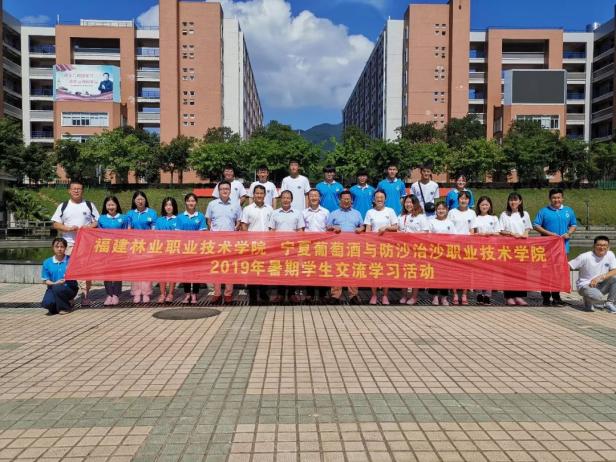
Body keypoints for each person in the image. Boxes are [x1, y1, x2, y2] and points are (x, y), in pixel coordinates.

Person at [51, 180, 99, 306]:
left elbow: (97, 222)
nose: (76, 191)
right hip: (68, 244)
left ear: (82, 191)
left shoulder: (89, 205)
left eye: (79, 189)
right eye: (74, 189)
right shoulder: (63, 206)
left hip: (85, 244)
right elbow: (55, 223)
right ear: (69, 190)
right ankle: (70, 296)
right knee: (68, 271)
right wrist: (67, 228)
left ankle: (85, 296)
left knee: (85, 271)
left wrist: (88, 227)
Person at [533, 188, 578, 306]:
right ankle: (545, 297)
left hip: (562, 248)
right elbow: (536, 225)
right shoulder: (543, 211)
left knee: (558, 273)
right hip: (546, 248)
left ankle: (556, 296)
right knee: (545, 272)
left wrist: (569, 233)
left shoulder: (568, 210)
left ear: (562, 198)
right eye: (554, 198)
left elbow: (573, 225)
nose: (556, 200)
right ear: (550, 199)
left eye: (558, 197)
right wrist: (550, 234)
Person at [206, 181, 242, 304]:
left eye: (227, 188)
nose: (224, 191)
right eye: (222, 189)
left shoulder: (236, 205)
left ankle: (228, 294)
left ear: (230, 190)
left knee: (229, 268)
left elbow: (239, 221)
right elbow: (209, 221)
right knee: (216, 267)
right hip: (216, 242)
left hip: (230, 242)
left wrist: (235, 229)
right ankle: (217, 293)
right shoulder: (212, 204)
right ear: (218, 191)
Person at [326, 190, 364, 305]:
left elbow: (362, 226)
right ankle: (335, 295)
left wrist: (360, 229)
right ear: (340, 200)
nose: (346, 201)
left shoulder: (357, 213)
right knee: (337, 269)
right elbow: (327, 227)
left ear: (351, 201)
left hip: (353, 246)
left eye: (348, 199)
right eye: (344, 199)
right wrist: (333, 227)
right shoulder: (333, 213)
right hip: (337, 246)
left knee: (352, 270)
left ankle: (353, 295)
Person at [269, 190, 305, 303]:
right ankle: (280, 294)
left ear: (291, 200)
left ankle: (291, 294)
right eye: (284, 198)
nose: (286, 200)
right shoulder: (275, 213)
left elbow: (300, 230)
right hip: (279, 247)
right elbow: (272, 230)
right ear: (281, 199)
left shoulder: (297, 213)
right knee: (280, 270)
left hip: (293, 247)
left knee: (292, 269)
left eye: (288, 198)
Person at [241, 185, 273, 304]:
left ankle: (264, 295)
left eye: (261, 193)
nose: (259, 195)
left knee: (264, 270)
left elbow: (272, 227)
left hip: (266, 245)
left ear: (265, 195)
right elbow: (244, 226)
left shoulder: (270, 209)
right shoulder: (247, 209)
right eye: (257, 193)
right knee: (253, 271)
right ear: (253, 195)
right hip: (253, 245)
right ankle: (253, 297)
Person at [364, 190, 398, 305]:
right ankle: (374, 295)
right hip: (373, 247)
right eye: (377, 197)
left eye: (381, 197)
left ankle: (385, 295)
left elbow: (396, 227)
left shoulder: (390, 211)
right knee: (374, 270)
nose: (379, 199)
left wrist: (386, 228)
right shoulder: (370, 212)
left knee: (386, 271)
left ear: (385, 199)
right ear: (374, 199)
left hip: (387, 246)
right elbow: (368, 229)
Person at [499, 192, 532, 306]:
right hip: (508, 248)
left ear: (520, 201)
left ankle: (519, 296)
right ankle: (509, 296)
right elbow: (501, 230)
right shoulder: (504, 214)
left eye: (515, 200)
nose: (513, 202)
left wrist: (524, 235)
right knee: (508, 272)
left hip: (521, 248)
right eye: (511, 200)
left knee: (521, 272)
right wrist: (512, 234)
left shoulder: (525, 214)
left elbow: (528, 229)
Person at [569, 236, 616, 313]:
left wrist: (600, 277)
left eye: (604, 245)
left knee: (614, 278)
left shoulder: (610, 254)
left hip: (600, 283)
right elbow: (568, 266)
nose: (602, 248)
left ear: (608, 247)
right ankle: (588, 300)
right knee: (597, 297)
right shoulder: (585, 256)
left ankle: (610, 303)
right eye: (599, 245)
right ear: (594, 246)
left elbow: (614, 270)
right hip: (585, 285)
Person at [126, 191, 158, 303]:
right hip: (134, 245)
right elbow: (128, 229)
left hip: (148, 245)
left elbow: (154, 230)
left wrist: (148, 241)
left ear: (145, 200)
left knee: (146, 269)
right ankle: (136, 292)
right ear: (134, 201)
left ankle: (146, 293)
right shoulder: (130, 214)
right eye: (138, 199)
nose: (140, 201)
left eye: (142, 199)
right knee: (135, 269)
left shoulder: (152, 213)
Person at [176, 193, 207, 304]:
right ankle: (187, 294)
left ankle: (195, 294)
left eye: (193, 201)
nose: (191, 203)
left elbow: (202, 233)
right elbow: (178, 234)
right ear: (185, 202)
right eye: (189, 201)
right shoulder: (180, 217)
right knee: (186, 272)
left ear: (196, 202)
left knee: (196, 272)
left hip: (196, 249)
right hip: (185, 250)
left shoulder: (200, 216)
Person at [398, 195, 429, 305]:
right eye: (406, 202)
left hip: (416, 249)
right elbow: (397, 230)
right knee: (403, 272)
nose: (408, 204)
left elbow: (425, 232)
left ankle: (414, 296)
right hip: (403, 249)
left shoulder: (421, 217)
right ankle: (404, 295)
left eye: (410, 202)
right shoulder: (401, 216)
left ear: (415, 203)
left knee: (415, 273)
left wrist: (411, 234)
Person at [447, 190, 477, 305]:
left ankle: (464, 294)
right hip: (454, 245)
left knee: (466, 271)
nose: (463, 200)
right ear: (458, 199)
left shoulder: (472, 213)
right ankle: (455, 293)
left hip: (467, 246)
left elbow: (472, 230)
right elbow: (449, 228)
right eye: (461, 198)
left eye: (466, 198)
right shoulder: (452, 212)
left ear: (469, 200)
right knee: (454, 271)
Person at [97, 196, 128, 306]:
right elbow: (99, 234)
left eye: (113, 205)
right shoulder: (101, 218)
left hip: (119, 248)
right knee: (107, 272)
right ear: (105, 206)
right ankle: (109, 294)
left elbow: (127, 233)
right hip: (106, 249)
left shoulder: (124, 218)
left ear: (117, 205)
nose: (111, 207)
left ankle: (116, 294)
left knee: (118, 271)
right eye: (109, 205)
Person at [303, 188, 330, 303]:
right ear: (308, 198)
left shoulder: (326, 212)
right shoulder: (304, 213)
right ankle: (309, 294)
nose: (313, 198)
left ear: (320, 198)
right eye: (311, 196)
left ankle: (323, 294)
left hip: (322, 245)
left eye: (316, 196)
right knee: (309, 268)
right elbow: (302, 229)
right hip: (308, 245)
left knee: (322, 268)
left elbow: (328, 228)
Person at [474, 196, 502, 305]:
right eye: (482, 205)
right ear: (479, 206)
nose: (484, 206)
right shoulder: (476, 218)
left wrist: (489, 233)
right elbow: (473, 233)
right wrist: (479, 234)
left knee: (489, 272)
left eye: (486, 204)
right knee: (478, 272)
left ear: (490, 206)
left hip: (490, 249)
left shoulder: (494, 218)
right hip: (478, 249)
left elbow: (498, 233)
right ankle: (479, 294)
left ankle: (487, 295)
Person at [41, 238, 78, 315]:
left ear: (65, 248)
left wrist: (68, 277)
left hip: (69, 288)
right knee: (47, 303)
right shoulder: (47, 262)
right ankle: (67, 302)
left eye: (62, 247)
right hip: (53, 287)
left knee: (58, 288)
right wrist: (55, 283)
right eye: (57, 247)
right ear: (53, 248)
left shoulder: (71, 260)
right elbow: (45, 280)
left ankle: (65, 308)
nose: (59, 249)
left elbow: (77, 274)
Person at [428, 202, 455, 305]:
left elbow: (454, 237)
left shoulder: (450, 223)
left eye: (443, 209)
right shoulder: (431, 222)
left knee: (445, 275)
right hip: (434, 252)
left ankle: (444, 297)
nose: (441, 211)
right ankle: (434, 296)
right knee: (434, 274)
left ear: (447, 210)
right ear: (436, 210)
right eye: (439, 209)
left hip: (446, 253)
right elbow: (428, 237)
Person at [154, 197, 179, 303]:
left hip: (173, 250)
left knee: (172, 273)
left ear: (174, 207)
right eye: (166, 205)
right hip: (162, 250)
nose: (168, 207)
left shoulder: (178, 219)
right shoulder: (159, 220)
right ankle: (162, 294)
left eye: (170, 205)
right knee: (162, 273)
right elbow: (156, 235)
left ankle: (170, 294)